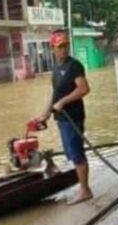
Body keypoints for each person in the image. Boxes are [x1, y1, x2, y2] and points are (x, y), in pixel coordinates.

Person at [36, 30, 93, 205]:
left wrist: (63, 102)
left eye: (66, 46)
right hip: (61, 119)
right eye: (60, 47)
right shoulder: (56, 69)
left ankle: (85, 190)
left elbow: (83, 89)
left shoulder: (74, 65)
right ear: (52, 48)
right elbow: (55, 94)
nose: (64, 49)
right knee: (71, 153)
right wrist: (45, 113)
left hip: (72, 117)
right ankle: (83, 187)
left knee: (76, 153)